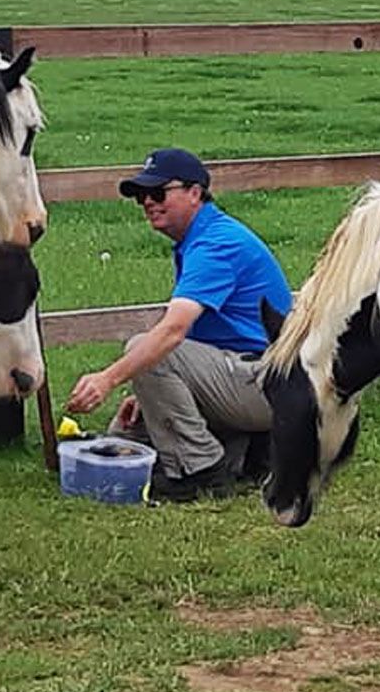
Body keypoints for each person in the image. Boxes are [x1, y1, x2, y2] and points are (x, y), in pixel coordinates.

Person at [67, 148, 292, 502]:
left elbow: (173, 333)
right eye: (141, 195)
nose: (148, 203)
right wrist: (147, 392)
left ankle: (202, 472)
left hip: (269, 380)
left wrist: (108, 379)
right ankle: (250, 453)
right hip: (252, 377)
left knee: (148, 351)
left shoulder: (216, 245)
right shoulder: (201, 239)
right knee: (124, 435)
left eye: (158, 193)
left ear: (195, 193)